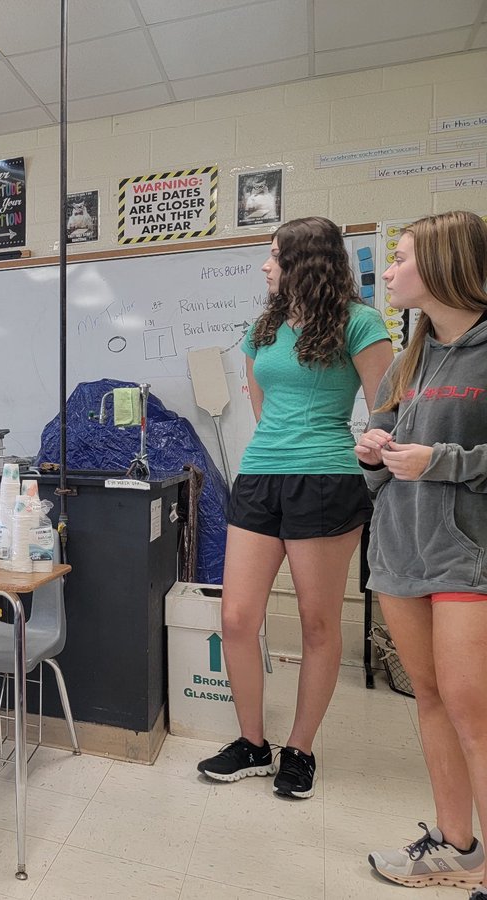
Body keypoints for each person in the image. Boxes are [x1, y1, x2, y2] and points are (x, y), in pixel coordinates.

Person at [197, 217, 393, 798]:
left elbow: (386, 409)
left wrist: (372, 454)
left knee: (316, 623)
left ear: (306, 261)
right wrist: (279, 454)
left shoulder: (360, 322)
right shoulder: (265, 326)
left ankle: (300, 749)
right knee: (236, 619)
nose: (265, 265)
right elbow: (260, 405)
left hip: (328, 479)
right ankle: (252, 743)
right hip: (260, 476)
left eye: (274, 255)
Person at [357, 211, 487, 896]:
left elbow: (453, 459)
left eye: (401, 257)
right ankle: (455, 846)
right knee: (430, 699)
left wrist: (440, 460)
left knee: (474, 712)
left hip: (466, 557)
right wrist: (371, 452)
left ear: (442, 264)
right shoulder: (409, 357)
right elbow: (378, 456)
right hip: (400, 553)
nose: (392, 270)